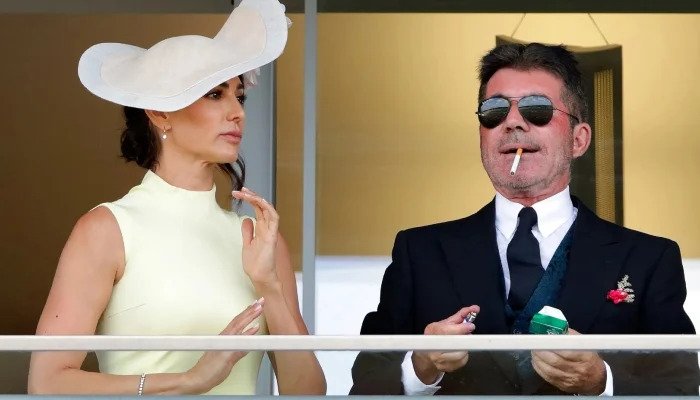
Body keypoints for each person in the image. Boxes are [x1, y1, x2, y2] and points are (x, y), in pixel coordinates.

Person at [350, 42, 699, 395]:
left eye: (537, 109)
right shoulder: (420, 252)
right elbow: (365, 383)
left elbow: (682, 388)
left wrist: (602, 381)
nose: (513, 122)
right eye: (494, 110)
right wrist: (420, 366)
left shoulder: (648, 259)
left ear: (579, 140)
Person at [27, 0, 325, 395]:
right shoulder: (107, 229)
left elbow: (308, 392)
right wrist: (189, 380)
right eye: (215, 94)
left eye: (239, 96)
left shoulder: (257, 240)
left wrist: (269, 285)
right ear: (159, 113)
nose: (237, 112)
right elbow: (47, 382)